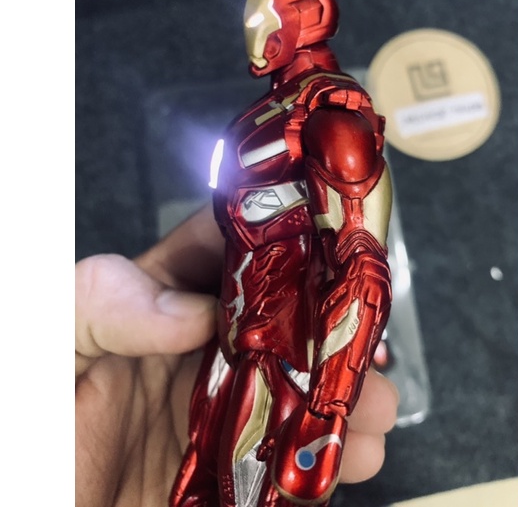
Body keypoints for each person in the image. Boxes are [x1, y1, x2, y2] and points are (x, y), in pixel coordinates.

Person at [75, 203, 399, 507]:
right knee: (210, 446)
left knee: (259, 463)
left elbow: (365, 272)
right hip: (234, 332)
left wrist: (328, 402)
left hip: (286, 348)